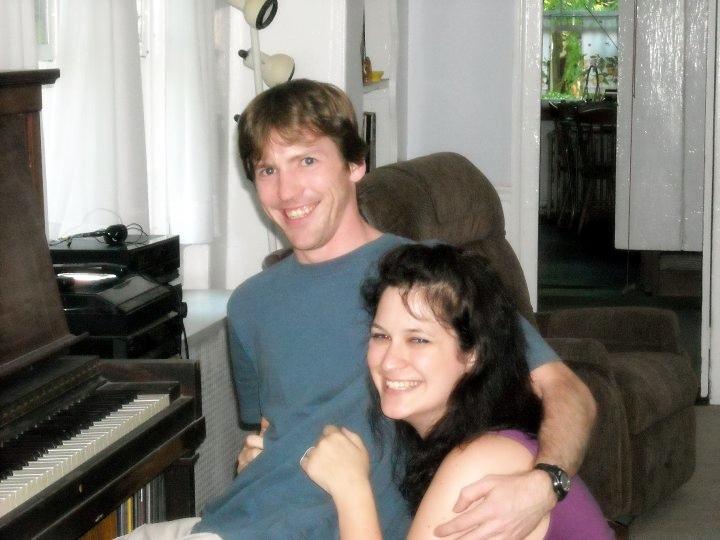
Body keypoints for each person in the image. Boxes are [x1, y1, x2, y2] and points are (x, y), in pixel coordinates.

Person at [124, 79, 595, 539]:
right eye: (268, 170)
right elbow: (271, 430)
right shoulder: (249, 304)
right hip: (225, 522)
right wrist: (258, 461)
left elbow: (566, 390)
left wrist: (545, 484)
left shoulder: (428, 279)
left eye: (307, 160)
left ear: (355, 164)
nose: (287, 192)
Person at [300, 243, 613, 539]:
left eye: (418, 340)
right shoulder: (464, 436)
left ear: (473, 353)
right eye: (381, 336)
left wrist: (351, 489)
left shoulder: (483, 460)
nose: (389, 361)